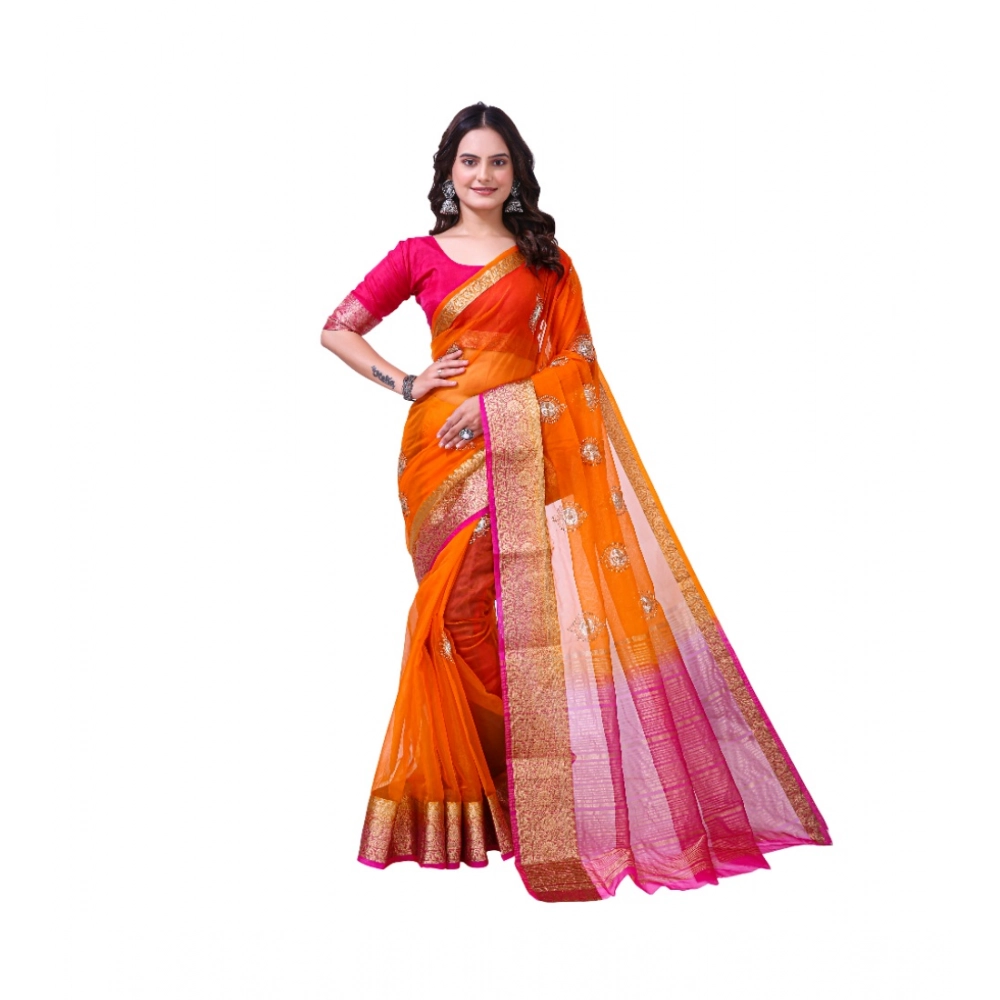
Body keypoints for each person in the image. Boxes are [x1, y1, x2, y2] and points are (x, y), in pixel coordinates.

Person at [320, 103, 831, 903]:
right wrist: (409, 383)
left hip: (522, 448)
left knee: (521, 616)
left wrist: (497, 409)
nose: (483, 174)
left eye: (497, 161)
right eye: (469, 161)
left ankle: (536, 799)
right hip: (438, 460)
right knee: (453, 619)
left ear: (516, 172)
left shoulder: (546, 261)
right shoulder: (416, 254)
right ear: (448, 172)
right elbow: (337, 328)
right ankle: (497, 793)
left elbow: (576, 366)